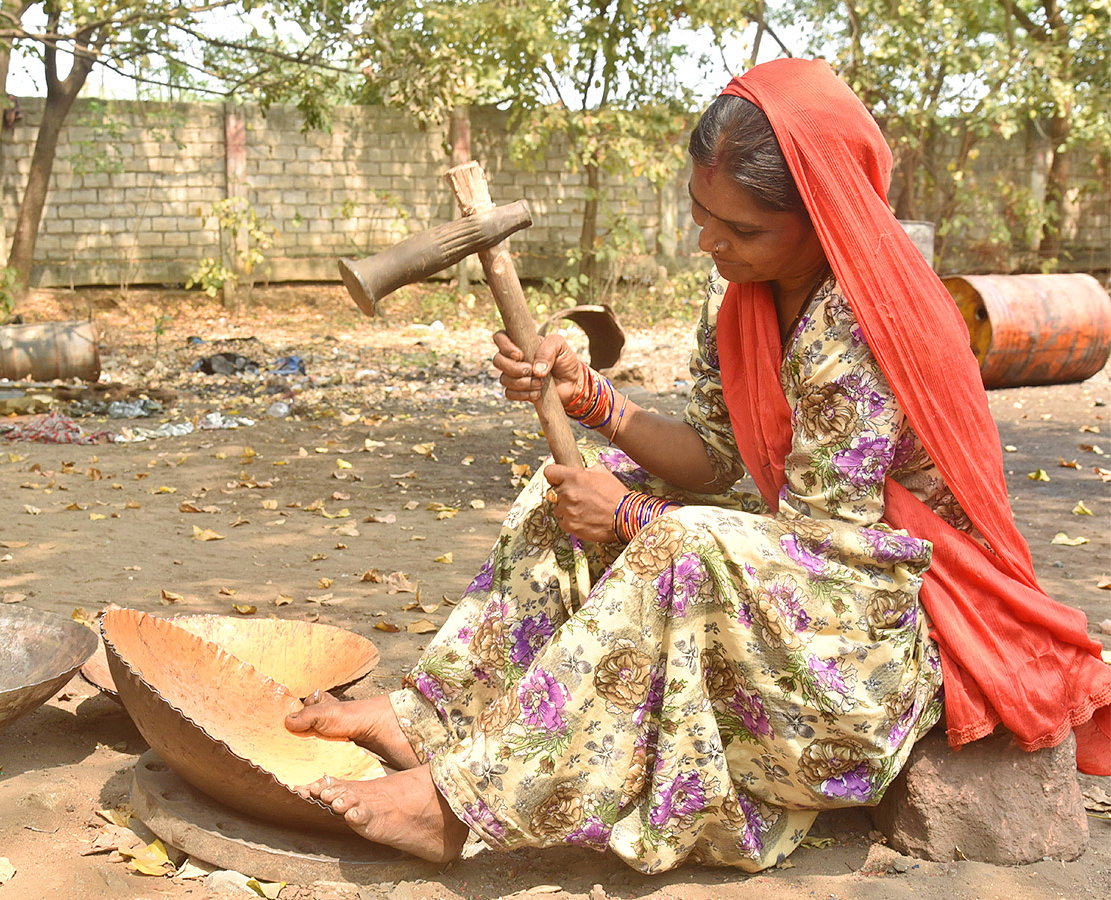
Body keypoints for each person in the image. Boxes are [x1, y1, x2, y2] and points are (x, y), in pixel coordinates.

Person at [286, 57, 1111, 872]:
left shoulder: (861, 326)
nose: (712, 241)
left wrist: (631, 519)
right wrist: (588, 395)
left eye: (742, 229)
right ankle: (433, 720)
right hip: (797, 583)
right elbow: (715, 460)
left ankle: (459, 806)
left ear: (822, 214)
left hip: (869, 644)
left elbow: (826, 546)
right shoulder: (742, 294)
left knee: (679, 542)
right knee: (558, 501)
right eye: (699, 212)